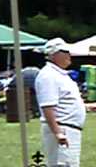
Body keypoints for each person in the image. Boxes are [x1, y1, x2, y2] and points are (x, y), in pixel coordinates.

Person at [35, 38, 85, 167]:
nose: (70, 55)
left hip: (69, 129)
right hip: (62, 128)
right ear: (54, 54)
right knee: (63, 164)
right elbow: (47, 106)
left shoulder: (60, 75)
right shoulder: (48, 76)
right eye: (66, 51)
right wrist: (57, 132)